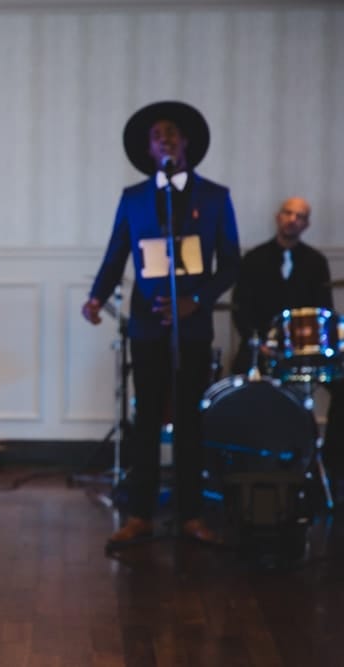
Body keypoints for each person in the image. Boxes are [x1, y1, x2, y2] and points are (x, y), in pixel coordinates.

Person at [81, 101, 241, 546]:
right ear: (150, 149)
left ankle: (192, 515)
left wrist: (196, 300)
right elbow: (117, 253)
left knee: (190, 421)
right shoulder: (133, 199)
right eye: (157, 135)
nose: (165, 138)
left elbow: (230, 264)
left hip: (192, 327)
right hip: (148, 327)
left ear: (185, 142)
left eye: (172, 132)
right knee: (146, 418)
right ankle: (140, 515)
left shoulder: (215, 197)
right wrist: (96, 296)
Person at [230, 196, 343, 502]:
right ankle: (245, 467)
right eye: (289, 213)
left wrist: (316, 348)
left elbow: (324, 311)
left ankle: (331, 466)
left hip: (307, 353)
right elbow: (240, 309)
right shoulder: (254, 259)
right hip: (263, 350)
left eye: (301, 216)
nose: (294, 219)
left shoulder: (315, 262)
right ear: (278, 217)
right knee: (237, 386)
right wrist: (259, 342)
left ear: (306, 224)